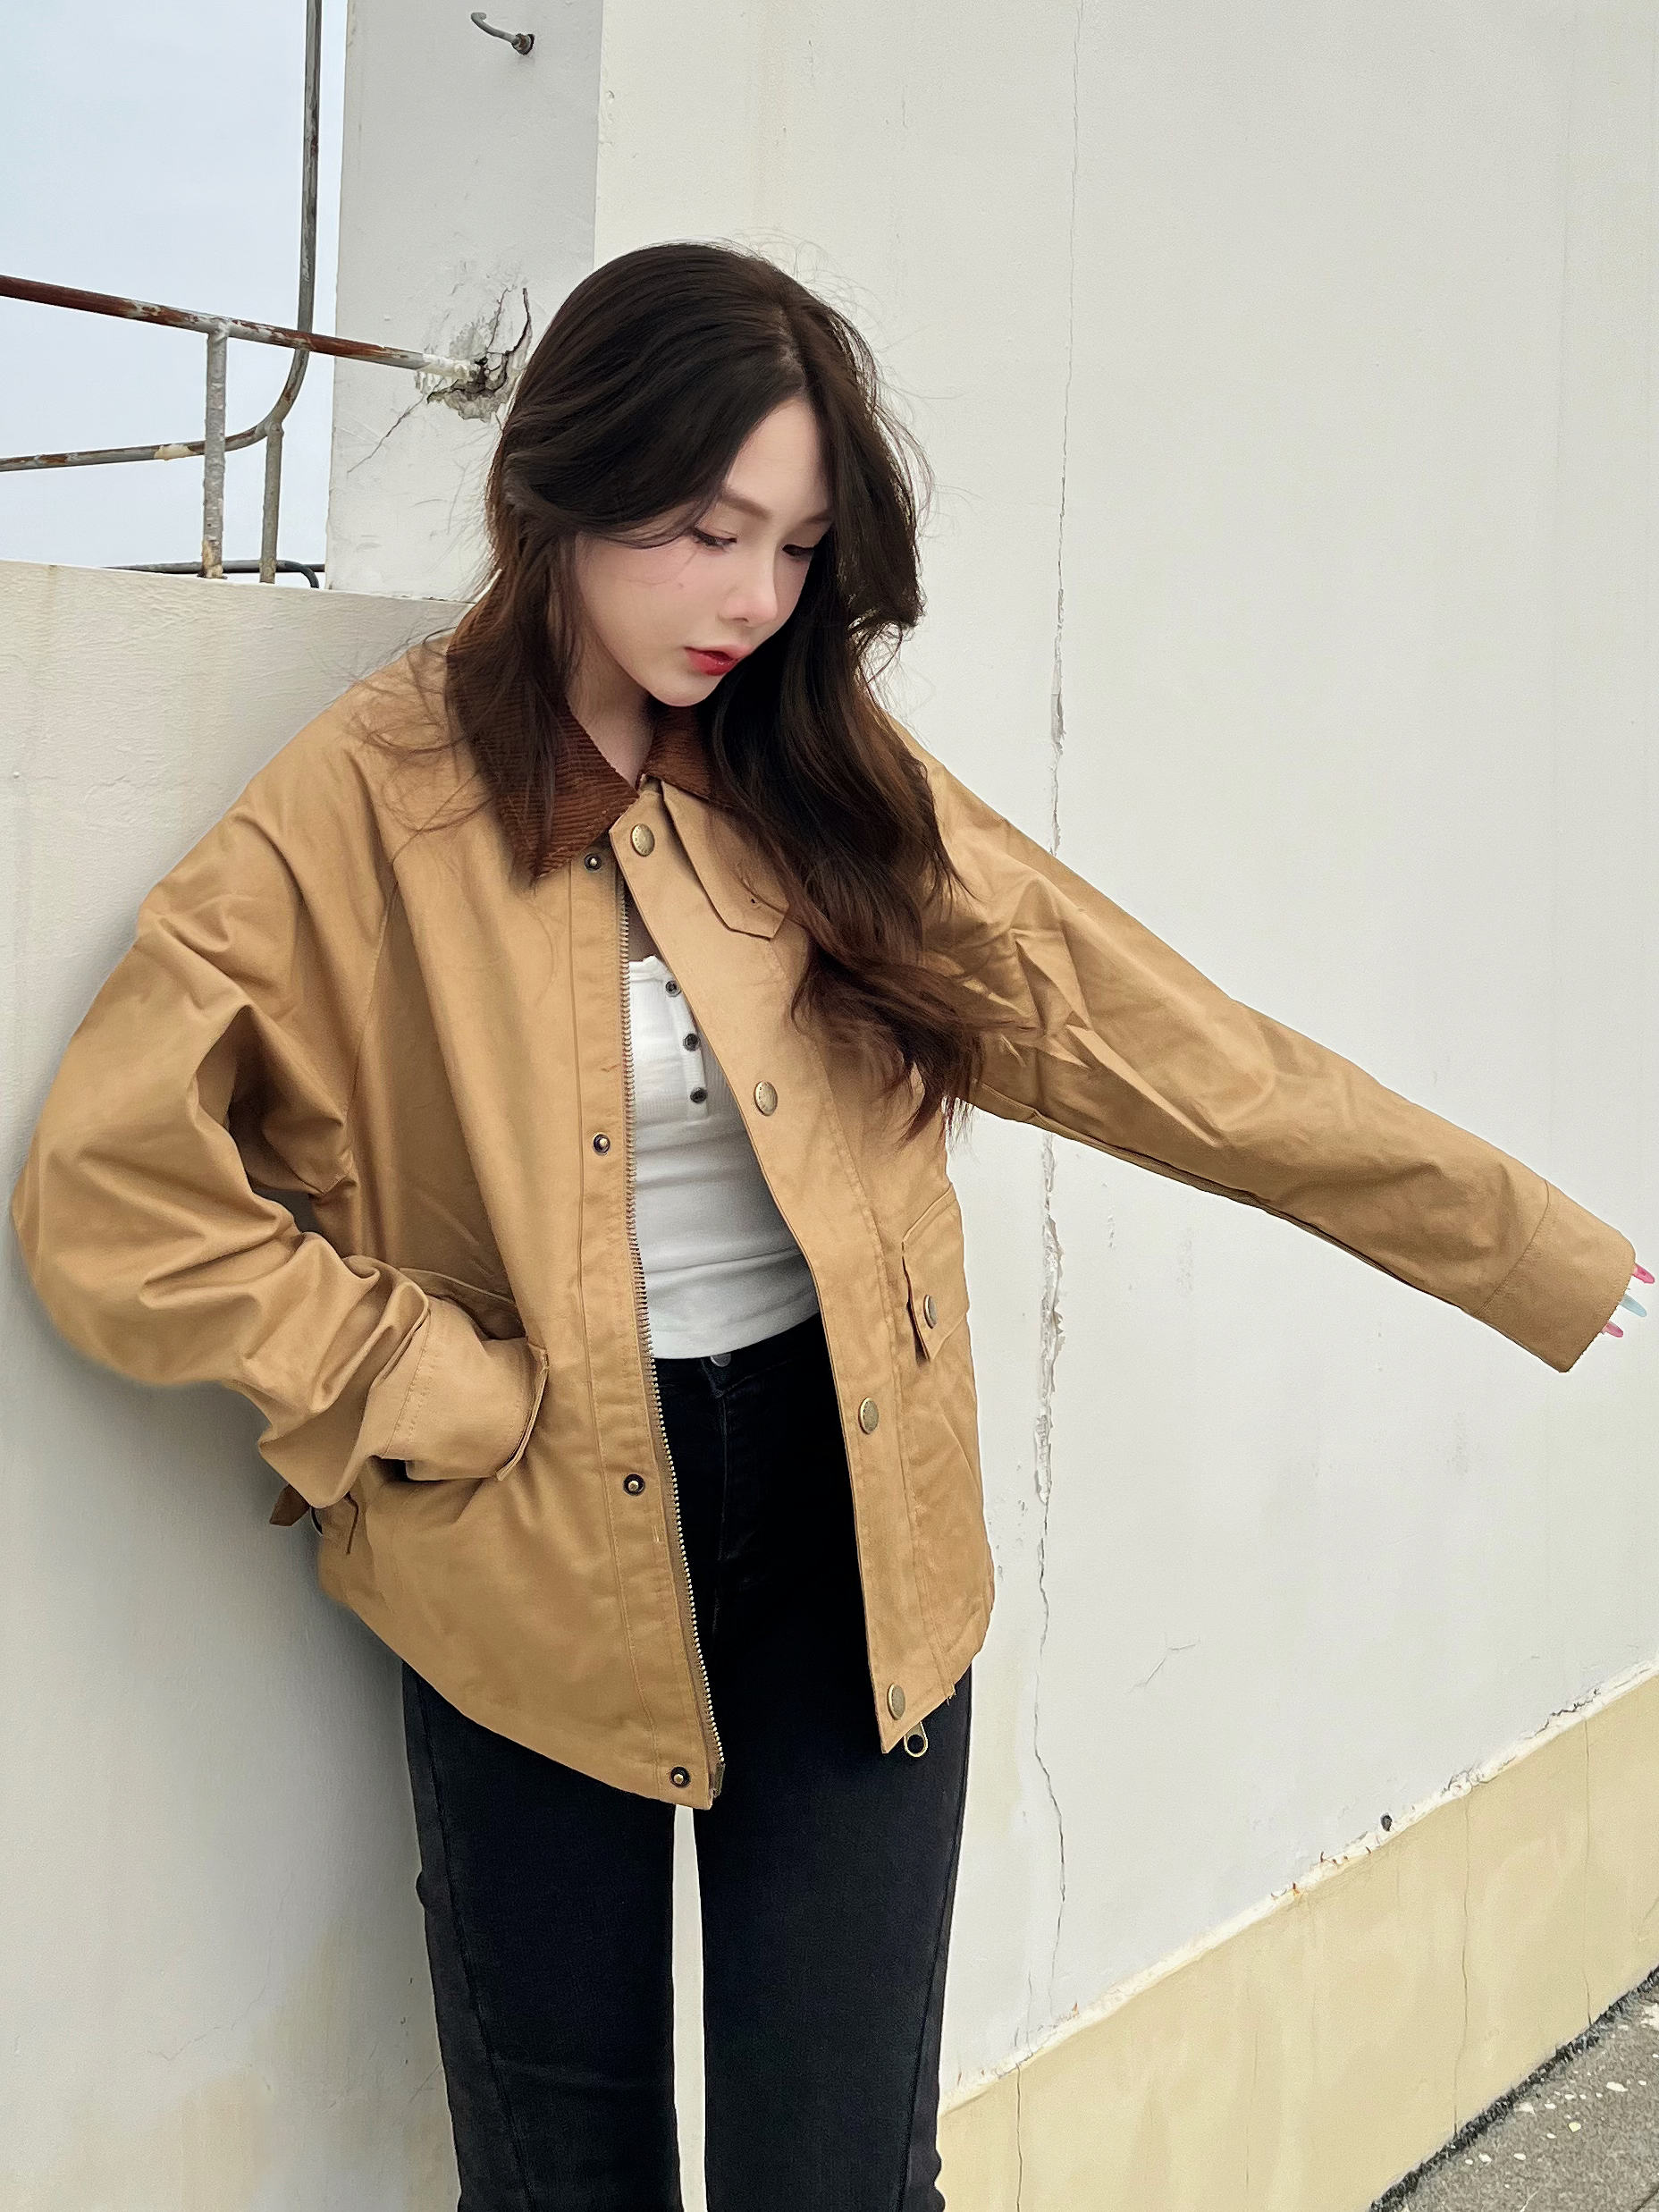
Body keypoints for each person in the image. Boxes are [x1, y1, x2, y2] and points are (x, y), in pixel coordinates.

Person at [9, 239, 1648, 2212]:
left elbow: (1152, 1037)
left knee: (838, 2173)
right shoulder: (364, 801)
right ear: (560, 487)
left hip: (857, 1516)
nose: (753, 601)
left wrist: (1513, 1238)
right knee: (560, 2171)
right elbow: (110, 1187)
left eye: (794, 549)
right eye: (707, 532)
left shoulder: (821, 771)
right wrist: (416, 1383)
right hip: (520, 1541)